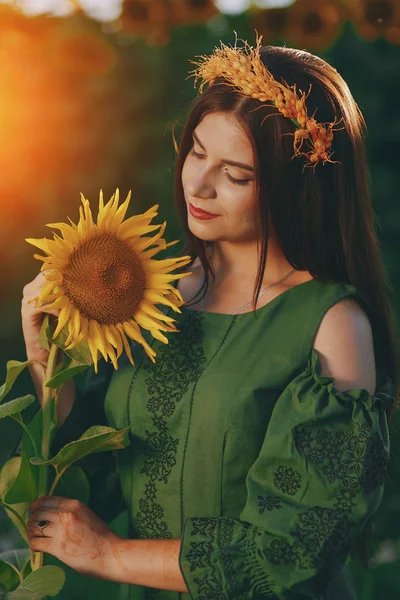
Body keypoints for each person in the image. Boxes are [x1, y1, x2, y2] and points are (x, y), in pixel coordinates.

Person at [22, 38, 398, 600]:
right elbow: (89, 483)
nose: (197, 184)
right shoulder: (158, 298)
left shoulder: (333, 325)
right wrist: (44, 359)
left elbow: (292, 554)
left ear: (295, 188)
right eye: (196, 152)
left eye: (236, 175)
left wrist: (110, 554)